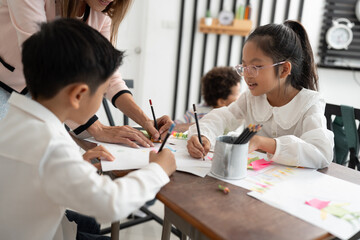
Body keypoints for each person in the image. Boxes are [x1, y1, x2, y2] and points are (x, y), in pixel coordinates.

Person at [0, 18, 176, 240]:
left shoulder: (15, 119)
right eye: (102, 93)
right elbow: (111, 203)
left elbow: (34, 175)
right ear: (78, 95)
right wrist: (159, 170)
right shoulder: (53, 146)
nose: (102, 98)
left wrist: (78, 165)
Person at [0, 0, 172, 148]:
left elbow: (109, 77)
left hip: (44, 100)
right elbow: (41, 60)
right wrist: (97, 128)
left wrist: (145, 121)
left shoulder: (101, 13)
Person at [186, 20, 334, 169]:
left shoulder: (309, 103)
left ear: (283, 70)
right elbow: (223, 117)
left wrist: (261, 142)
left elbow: (321, 152)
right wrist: (203, 135)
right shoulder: (251, 98)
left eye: (256, 67)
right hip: (255, 184)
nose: (247, 74)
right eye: (244, 66)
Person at [174, 66, 241, 132]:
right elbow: (174, 127)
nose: (240, 96)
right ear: (221, 101)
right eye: (237, 93)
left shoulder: (235, 115)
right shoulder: (196, 112)